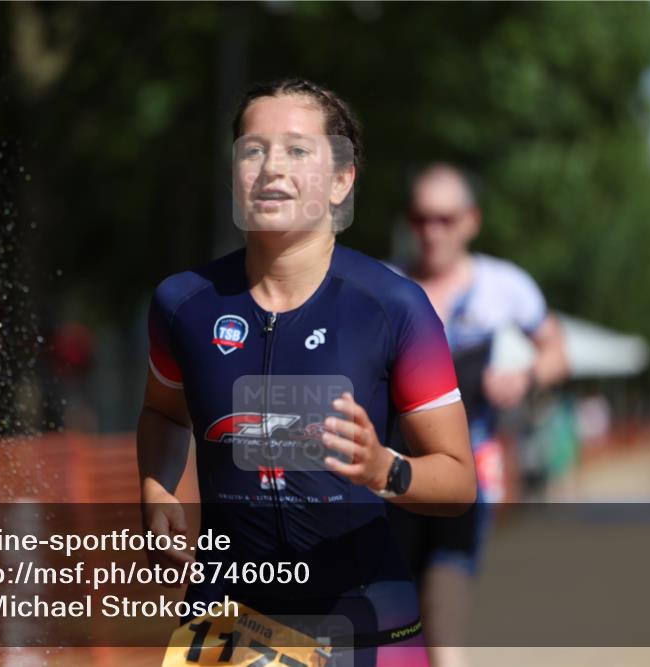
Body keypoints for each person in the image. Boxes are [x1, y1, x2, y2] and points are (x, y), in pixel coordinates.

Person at [137, 79, 476, 667]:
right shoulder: (182, 304)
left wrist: (384, 469)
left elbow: (458, 481)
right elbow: (163, 411)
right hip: (228, 626)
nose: (271, 167)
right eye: (252, 149)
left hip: (366, 625)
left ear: (342, 180)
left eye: (297, 150)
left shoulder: (393, 307)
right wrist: (155, 486)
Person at [386, 163, 569, 667]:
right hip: (392, 476)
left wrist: (524, 377)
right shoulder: (386, 283)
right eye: (421, 218)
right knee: (391, 621)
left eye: (445, 219)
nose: (432, 231)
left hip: (465, 476)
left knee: (443, 614)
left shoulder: (503, 285)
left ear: (472, 220)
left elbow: (557, 352)